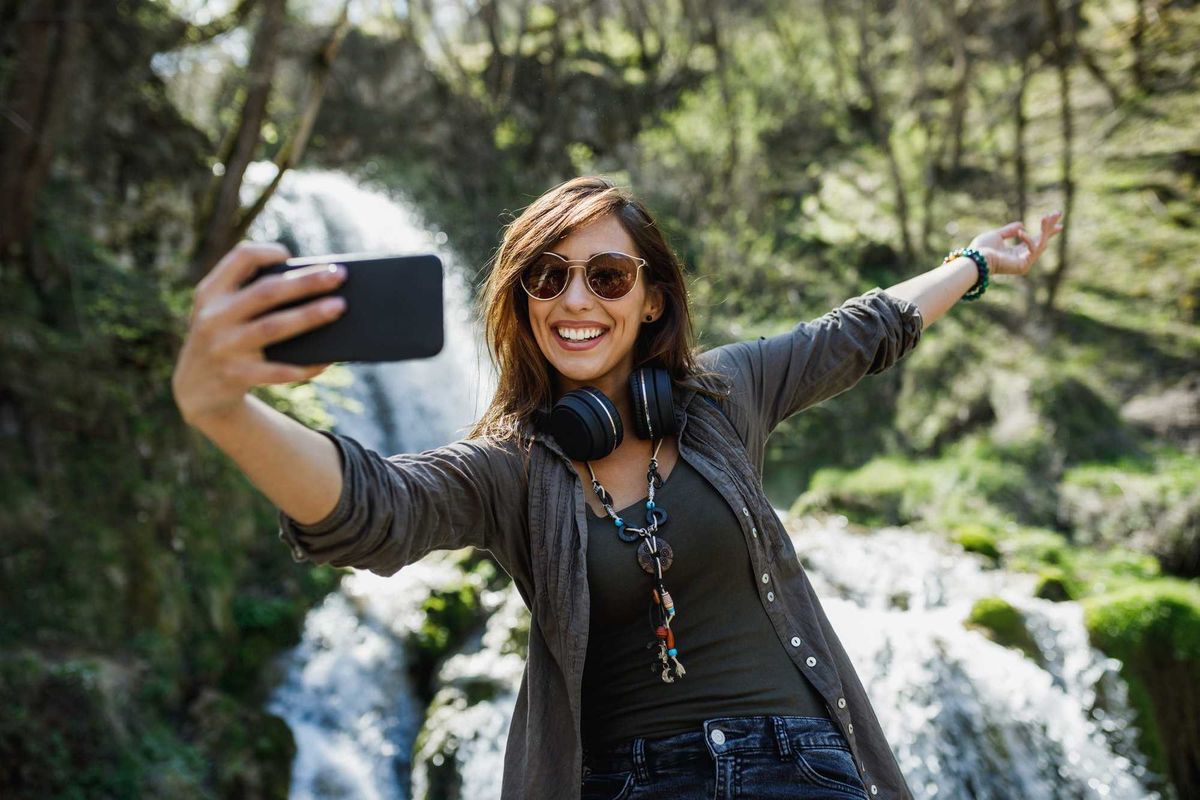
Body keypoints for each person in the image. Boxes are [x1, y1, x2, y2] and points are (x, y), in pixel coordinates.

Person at [171, 176, 1063, 800]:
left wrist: (975, 263)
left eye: (606, 275)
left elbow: (862, 330)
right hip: (631, 782)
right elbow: (374, 510)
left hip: (802, 767)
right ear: (521, 303)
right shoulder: (509, 468)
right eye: (546, 277)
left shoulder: (725, 395)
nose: (575, 299)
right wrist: (223, 408)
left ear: (652, 300)